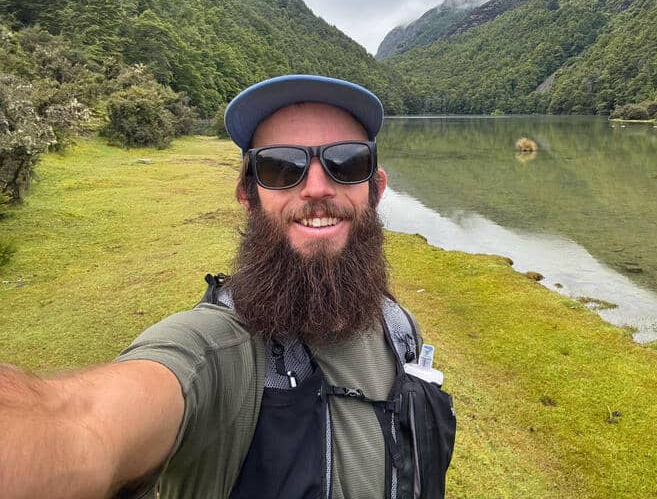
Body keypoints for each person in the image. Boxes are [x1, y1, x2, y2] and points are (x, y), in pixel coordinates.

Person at [0, 75, 456, 499]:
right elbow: (82, 424)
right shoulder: (218, 351)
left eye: (346, 162)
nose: (317, 188)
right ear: (248, 194)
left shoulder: (399, 328)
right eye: (281, 167)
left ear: (375, 187)